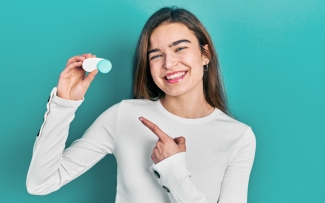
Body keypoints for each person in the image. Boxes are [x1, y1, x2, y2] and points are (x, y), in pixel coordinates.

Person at [26, 6, 256, 203]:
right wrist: (64, 103)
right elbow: (41, 183)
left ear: (205, 54)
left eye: (180, 48)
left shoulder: (238, 137)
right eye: (156, 55)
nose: (169, 63)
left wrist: (173, 169)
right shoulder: (124, 115)